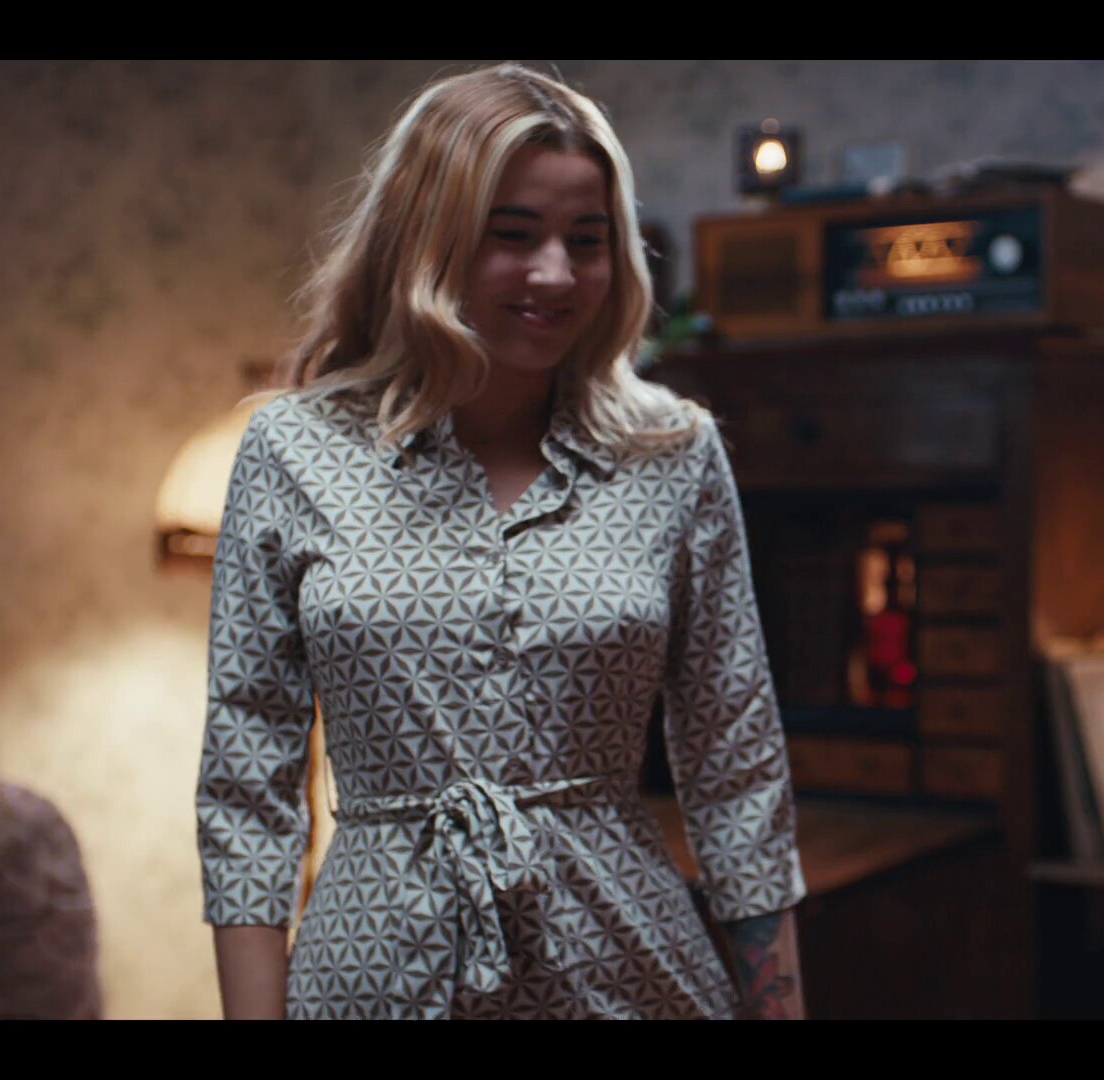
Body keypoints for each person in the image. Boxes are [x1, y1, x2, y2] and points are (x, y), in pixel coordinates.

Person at [194, 62, 807, 1020]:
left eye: (587, 240)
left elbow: (737, 768)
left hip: (631, 971)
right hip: (372, 979)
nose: (555, 274)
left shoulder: (673, 454)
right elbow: (248, 785)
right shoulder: (291, 451)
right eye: (512, 234)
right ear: (425, 236)